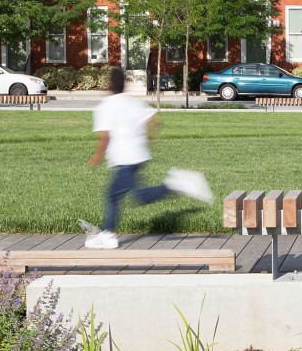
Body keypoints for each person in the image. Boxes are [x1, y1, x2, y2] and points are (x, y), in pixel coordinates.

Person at [85, 67, 212, 249]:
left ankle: (177, 185)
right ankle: (109, 233)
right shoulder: (132, 102)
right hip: (138, 156)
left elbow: (106, 136)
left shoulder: (106, 106)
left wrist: (97, 156)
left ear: (109, 84)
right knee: (117, 195)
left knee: (128, 196)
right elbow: (153, 119)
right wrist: (147, 137)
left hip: (125, 158)